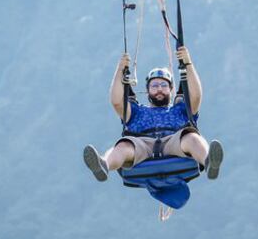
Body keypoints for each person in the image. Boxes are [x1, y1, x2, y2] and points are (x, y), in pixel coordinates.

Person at [83, 46, 223, 182]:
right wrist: (120, 69)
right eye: (154, 86)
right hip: (142, 145)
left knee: (192, 137)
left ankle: (209, 161)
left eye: (163, 86)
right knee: (123, 146)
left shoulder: (180, 110)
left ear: (171, 89)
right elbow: (117, 102)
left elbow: (196, 96)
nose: (159, 89)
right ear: (148, 90)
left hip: (174, 142)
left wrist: (188, 62)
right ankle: (104, 165)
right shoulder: (136, 111)